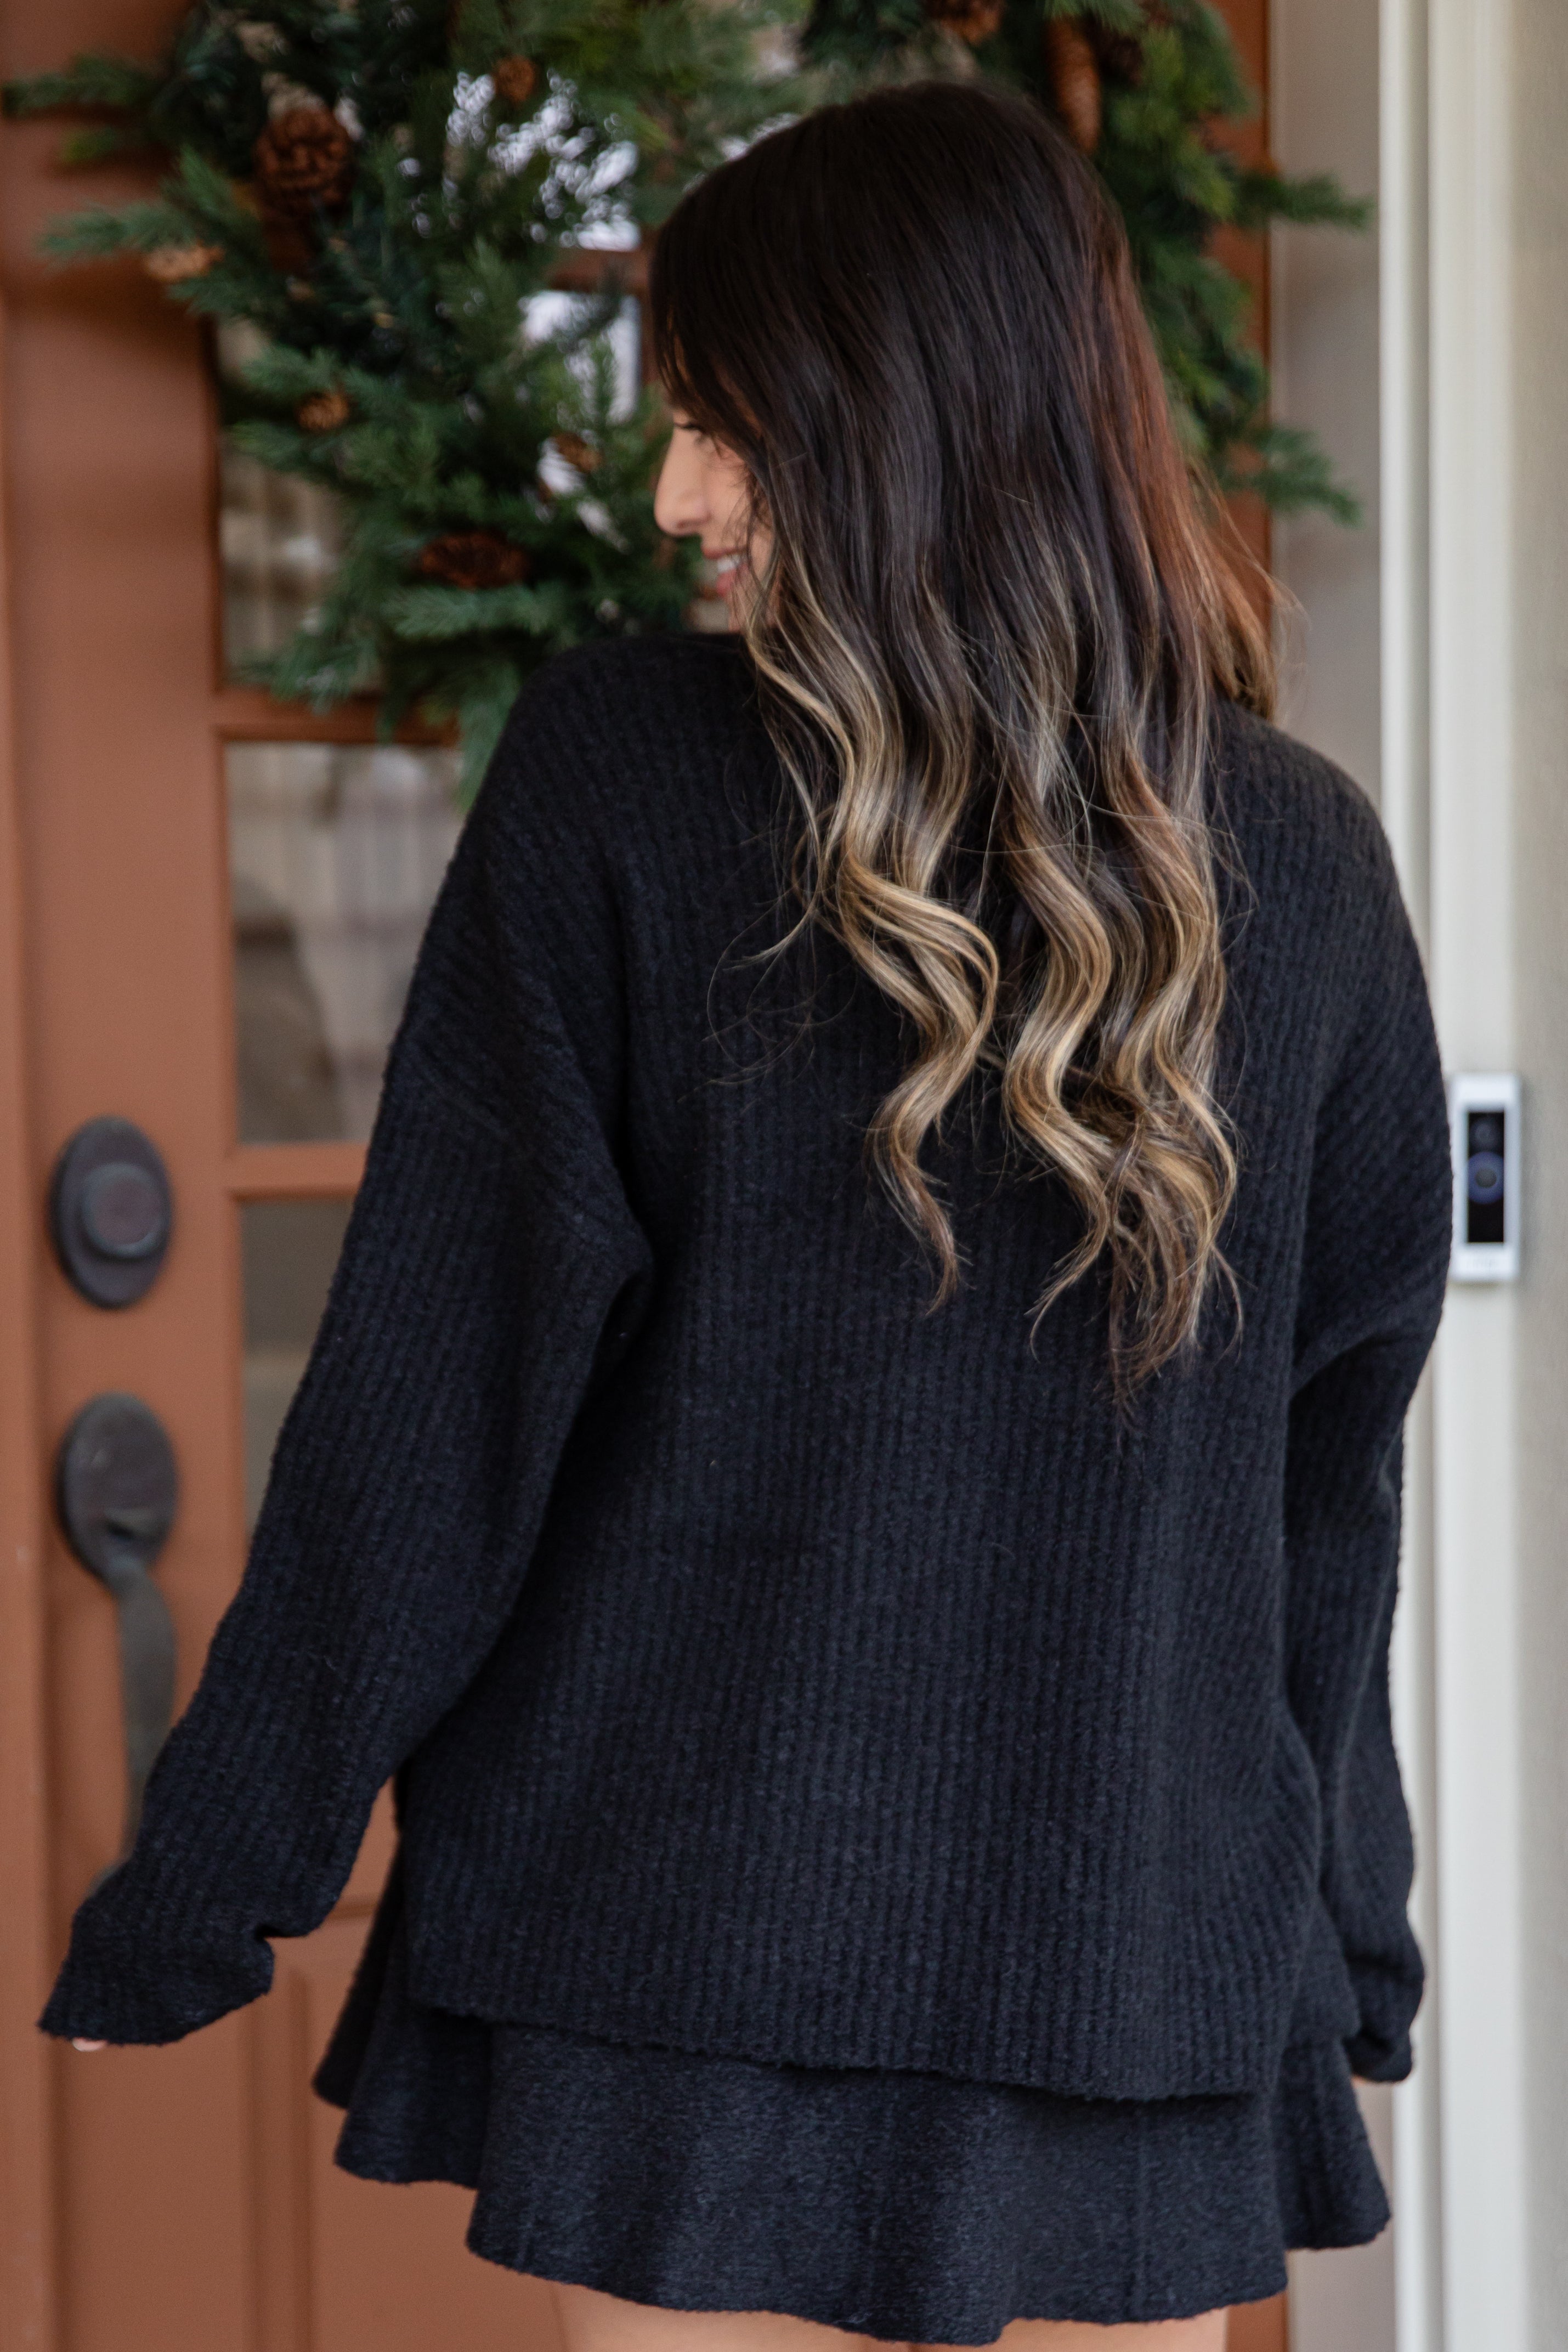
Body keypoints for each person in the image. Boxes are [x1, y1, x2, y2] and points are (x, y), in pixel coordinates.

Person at [44, 78, 1452, 2352]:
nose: (675, 493)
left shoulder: (636, 775)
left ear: (909, 420)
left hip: (769, 1964)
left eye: (726, 421)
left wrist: (210, 1876)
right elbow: (440, 1396)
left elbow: (431, 1405)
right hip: (1056, 1968)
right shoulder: (1284, 851)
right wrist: (1344, 1941)